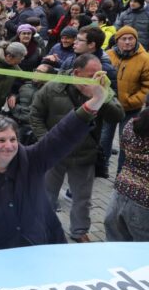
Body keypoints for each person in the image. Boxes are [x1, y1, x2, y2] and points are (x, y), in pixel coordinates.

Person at [0, 70, 111, 255]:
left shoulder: (31, 160)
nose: (9, 146)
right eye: (1, 140)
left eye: (13, 139)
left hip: (39, 249)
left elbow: (61, 136)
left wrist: (96, 100)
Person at [30, 54, 124, 243]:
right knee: (46, 194)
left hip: (84, 154)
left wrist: (101, 96)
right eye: (91, 75)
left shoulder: (102, 89)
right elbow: (36, 115)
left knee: (82, 198)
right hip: (54, 154)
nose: (96, 79)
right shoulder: (53, 87)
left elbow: (118, 116)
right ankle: (42, 227)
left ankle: (79, 231)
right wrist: (46, 142)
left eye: (99, 74)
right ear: (76, 73)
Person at [104, 26, 149, 174]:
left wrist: (133, 100)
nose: (128, 42)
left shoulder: (145, 59)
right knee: (104, 139)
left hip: (130, 108)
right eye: (124, 39)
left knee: (126, 142)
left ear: (136, 40)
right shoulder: (108, 54)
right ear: (117, 41)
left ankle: (121, 173)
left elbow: (146, 86)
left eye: (131, 38)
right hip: (109, 106)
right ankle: (101, 167)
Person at [104, 104, 149, 241]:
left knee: (115, 248)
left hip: (120, 192)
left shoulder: (130, 125)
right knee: (141, 255)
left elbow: (123, 147)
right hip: (143, 203)